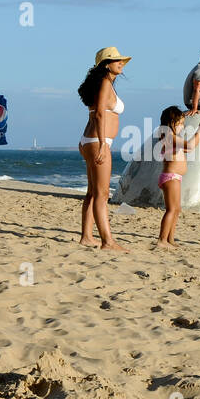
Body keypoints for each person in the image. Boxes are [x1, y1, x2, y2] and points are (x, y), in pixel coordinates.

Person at [77, 46, 130, 250]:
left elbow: (95, 114)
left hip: (90, 140)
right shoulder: (105, 82)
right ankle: (108, 241)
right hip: (98, 141)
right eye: (117, 60)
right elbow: (99, 114)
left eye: (122, 60)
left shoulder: (104, 83)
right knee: (102, 193)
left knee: (92, 192)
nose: (121, 63)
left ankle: (86, 237)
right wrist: (101, 144)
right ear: (106, 64)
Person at [155, 106, 200, 248]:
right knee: (171, 209)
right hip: (170, 177)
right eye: (180, 123)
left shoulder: (174, 139)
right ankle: (162, 240)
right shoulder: (169, 137)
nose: (182, 127)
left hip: (175, 177)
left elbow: (190, 147)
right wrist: (199, 131)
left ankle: (170, 239)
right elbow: (190, 146)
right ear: (172, 123)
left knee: (176, 209)